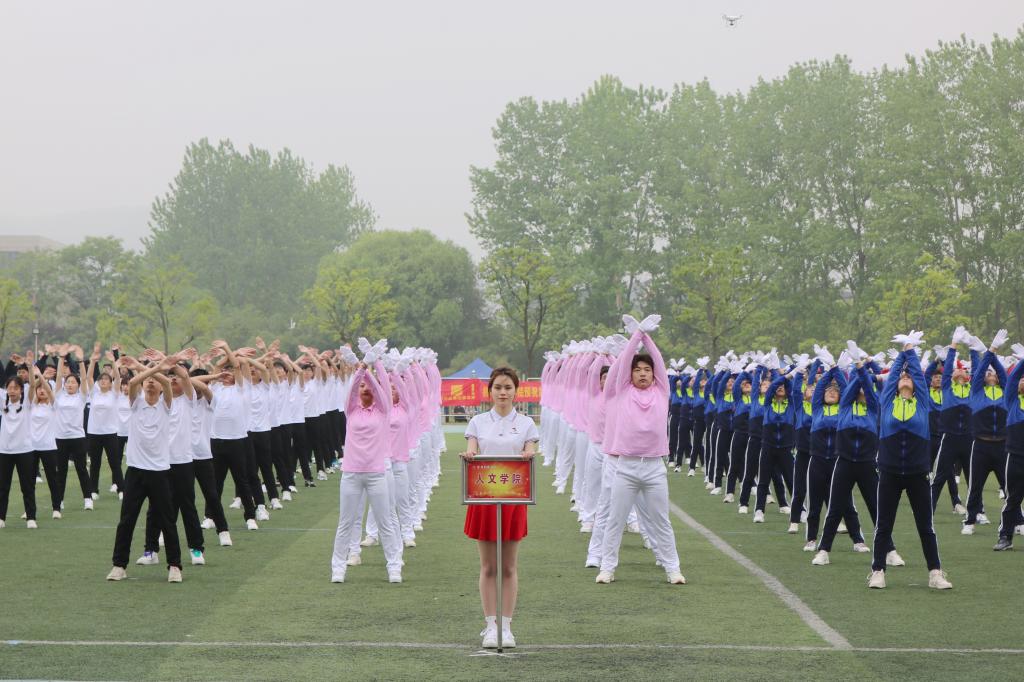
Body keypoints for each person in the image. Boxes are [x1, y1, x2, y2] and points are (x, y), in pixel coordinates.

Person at [596, 314, 685, 586]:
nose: (643, 373)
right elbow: (622, 365)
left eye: (647, 369)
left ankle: (673, 569)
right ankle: (607, 568)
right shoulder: (622, 390)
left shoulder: (662, 391)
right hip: (626, 467)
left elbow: (659, 363)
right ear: (630, 374)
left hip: (654, 467)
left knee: (661, 521)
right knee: (615, 520)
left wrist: (647, 337)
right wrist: (635, 337)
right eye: (638, 370)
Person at [461, 366, 538, 649]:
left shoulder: (527, 423)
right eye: (498, 387)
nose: (503, 392)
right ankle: (490, 626)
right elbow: (472, 447)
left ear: (516, 391)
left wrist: (529, 454)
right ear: (490, 391)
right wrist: (470, 454)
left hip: (514, 499)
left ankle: (506, 626)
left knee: (508, 567)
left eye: (508, 387)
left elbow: (531, 450)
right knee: (488, 566)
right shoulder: (478, 422)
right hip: (484, 498)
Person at [869, 339, 950, 589]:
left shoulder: (922, 402)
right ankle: (878, 571)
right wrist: (901, 357)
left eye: (909, 377)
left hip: (917, 473)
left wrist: (909, 352)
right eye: (902, 377)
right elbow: (894, 375)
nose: (905, 378)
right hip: (890, 472)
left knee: (926, 526)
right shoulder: (887, 401)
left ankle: (935, 573)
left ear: (916, 385)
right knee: (884, 525)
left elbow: (917, 375)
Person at [329, 345, 403, 585]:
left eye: (369, 386)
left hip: (376, 474)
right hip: (351, 473)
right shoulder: (351, 410)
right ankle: (338, 568)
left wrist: (370, 368)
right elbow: (351, 390)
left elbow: (381, 391)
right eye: (362, 387)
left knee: (385, 522)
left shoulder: (383, 411)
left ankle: (394, 567)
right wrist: (360, 370)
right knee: (346, 522)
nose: (365, 389)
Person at [106, 354, 184, 583]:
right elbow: (132, 382)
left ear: (160, 387)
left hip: (159, 471)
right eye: (147, 379)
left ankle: (174, 566)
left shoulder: (166, 405)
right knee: (126, 520)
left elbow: (167, 381)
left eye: (154, 380)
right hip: (136, 470)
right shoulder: (136, 403)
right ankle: (119, 565)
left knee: (167, 520)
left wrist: (148, 368)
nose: (150, 382)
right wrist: (153, 368)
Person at [0, 360, 36, 529]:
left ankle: (31, 517)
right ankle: (1, 518)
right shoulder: (3, 402)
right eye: (10, 388)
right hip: (5, 451)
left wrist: (30, 367)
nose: (12, 391)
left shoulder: (27, 402)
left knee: (27, 486)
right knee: (3, 487)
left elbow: (33, 385)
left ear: (21, 389)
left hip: (25, 451)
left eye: (15, 388)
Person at [86, 344, 125, 499]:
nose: (103, 381)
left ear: (110, 382)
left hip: (110, 433)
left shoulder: (114, 393)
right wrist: (93, 360)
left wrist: (113, 361)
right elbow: (88, 377)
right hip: (94, 433)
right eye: (101, 379)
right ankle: (93, 490)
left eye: (106, 379)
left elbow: (118, 377)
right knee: (95, 464)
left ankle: (121, 489)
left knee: (115, 463)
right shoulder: (94, 393)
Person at [995, 345, 1024, 550]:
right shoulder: (1012, 401)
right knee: (1012, 498)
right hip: (1015, 457)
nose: (1022, 382)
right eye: (1022, 380)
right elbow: (1012, 379)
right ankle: (1005, 537)